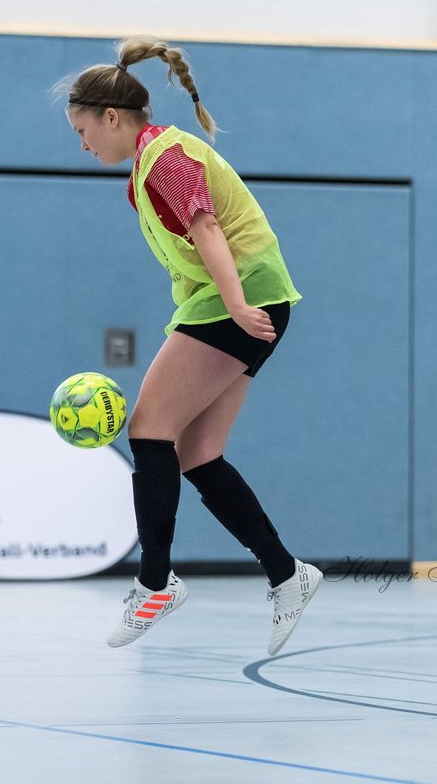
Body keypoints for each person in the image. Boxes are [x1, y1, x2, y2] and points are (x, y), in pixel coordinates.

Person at [62, 38, 322, 655]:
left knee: (150, 430)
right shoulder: (145, 167)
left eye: (83, 130)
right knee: (199, 453)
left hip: (242, 299)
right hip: (249, 299)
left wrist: (233, 303)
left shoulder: (164, 159)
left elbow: (207, 228)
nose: (83, 144)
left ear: (112, 117)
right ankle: (288, 574)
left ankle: (155, 583)